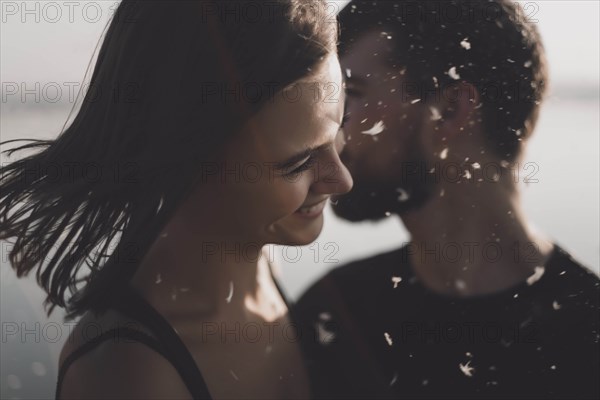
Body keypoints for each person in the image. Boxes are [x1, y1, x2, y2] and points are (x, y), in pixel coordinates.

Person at [0, 1, 353, 399]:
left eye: (339, 132)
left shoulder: (260, 268)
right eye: (300, 162)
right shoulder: (127, 375)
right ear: (185, 159)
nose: (343, 180)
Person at [295, 1, 600, 399]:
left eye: (351, 92)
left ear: (450, 110)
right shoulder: (334, 315)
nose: (330, 129)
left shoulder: (587, 336)